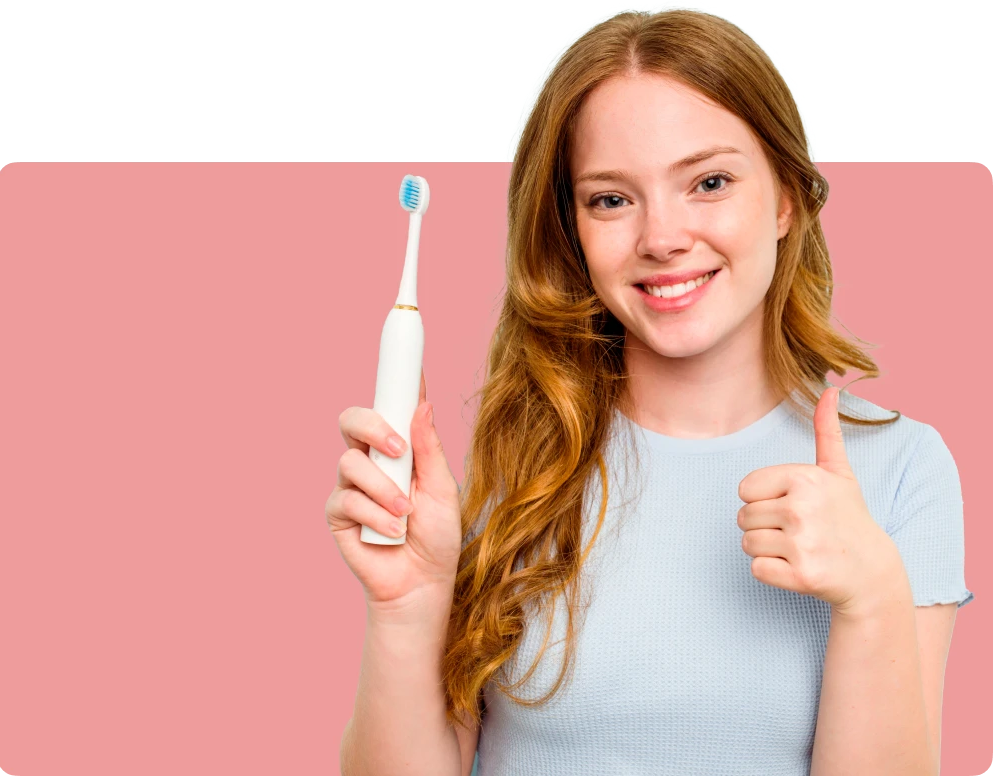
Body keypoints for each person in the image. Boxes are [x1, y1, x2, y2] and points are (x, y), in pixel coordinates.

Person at [330, 5, 974, 775]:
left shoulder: (902, 469)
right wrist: (406, 610)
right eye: (610, 198)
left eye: (709, 182)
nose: (662, 238)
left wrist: (871, 597)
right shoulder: (511, 462)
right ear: (572, 229)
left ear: (785, 199)